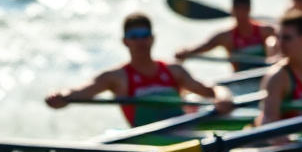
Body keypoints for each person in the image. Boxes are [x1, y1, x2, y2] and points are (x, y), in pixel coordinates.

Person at [46, 12, 234, 126]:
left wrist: (223, 97)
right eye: (134, 36)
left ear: (152, 38)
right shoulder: (116, 77)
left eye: (144, 35)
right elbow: (80, 92)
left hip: (184, 131)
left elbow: (211, 90)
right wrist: (61, 96)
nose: (140, 41)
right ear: (125, 41)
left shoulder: (173, 70)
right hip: (147, 140)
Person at [175, 0, 277, 71]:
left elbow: (283, 36)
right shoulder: (226, 37)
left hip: (263, 75)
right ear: (232, 10)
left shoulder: (266, 31)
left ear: (249, 9)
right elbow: (205, 46)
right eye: (238, 10)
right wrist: (186, 52)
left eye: (244, 10)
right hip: (242, 81)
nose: (241, 14)